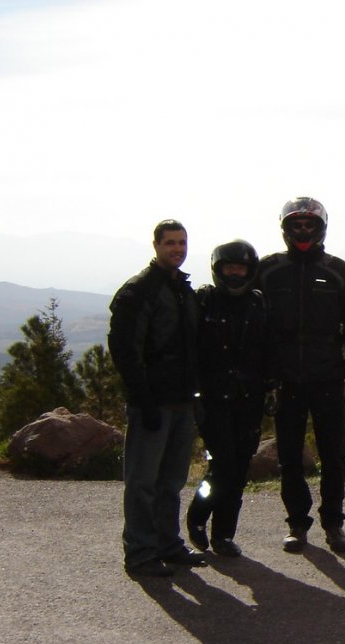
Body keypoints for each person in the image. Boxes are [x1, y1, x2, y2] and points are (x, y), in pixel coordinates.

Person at [258, 197, 345, 554]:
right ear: (285, 228)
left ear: (321, 227)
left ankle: (334, 524)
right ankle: (296, 525)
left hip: (328, 376)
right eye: (296, 225)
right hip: (284, 377)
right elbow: (253, 322)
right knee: (289, 456)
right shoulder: (268, 270)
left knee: (334, 454)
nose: (303, 231)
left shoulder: (340, 271)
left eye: (308, 225)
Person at [108, 219, 206, 577]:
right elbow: (124, 350)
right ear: (155, 246)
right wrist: (143, 399)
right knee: (142, 483)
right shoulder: (140, 291)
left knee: (171, 482)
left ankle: (168, 544)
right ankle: (140, 553)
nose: (177, 249)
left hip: (182, 401)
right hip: (153, 402)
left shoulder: (181, 288)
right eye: (170, 243)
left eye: (182, 242)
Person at [185, 240, 271, 558]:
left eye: (241, 268)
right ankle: (197, 516)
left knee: (239, 468)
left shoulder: (258, 304)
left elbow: (267, 349)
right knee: (222, 465)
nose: (235, 273)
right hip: (213, 398)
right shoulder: (204, 301)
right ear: (218, 269)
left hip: (249, 399)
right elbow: (188, 348)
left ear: (250, 271)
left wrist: (272, 386)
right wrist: (192, 390)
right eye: (229, 268)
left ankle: (223, 535)